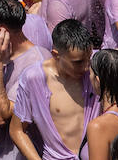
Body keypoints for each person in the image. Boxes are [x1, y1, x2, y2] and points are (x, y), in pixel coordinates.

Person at [8, 19, 98, 160]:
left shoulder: (98, 69)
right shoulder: (34, 79)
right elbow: (17, 130)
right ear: (56, 55)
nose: (86, 67)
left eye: (89, 59)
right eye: (78, 62)